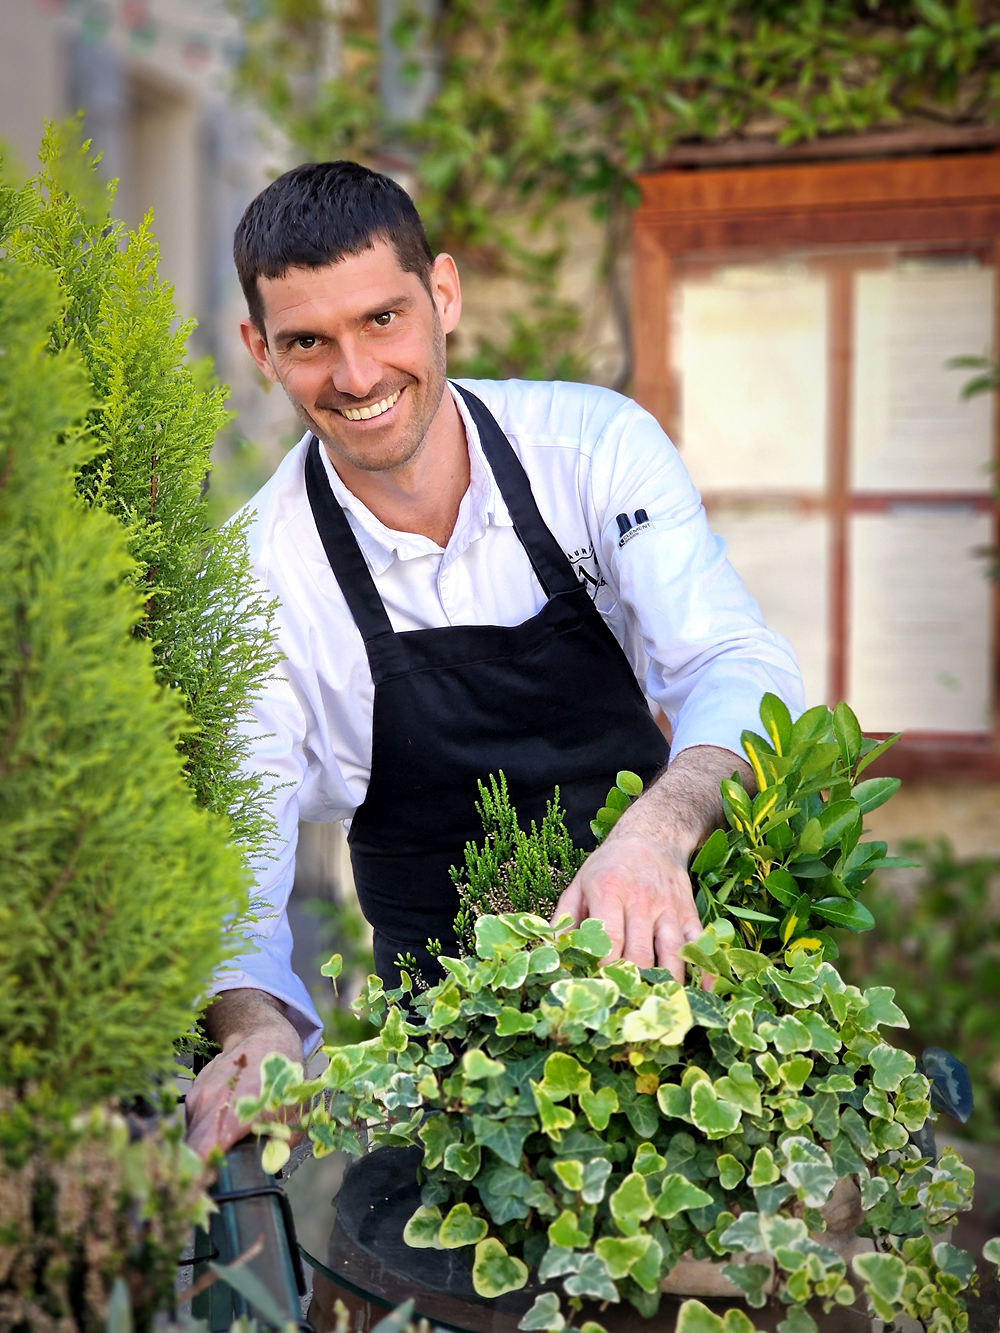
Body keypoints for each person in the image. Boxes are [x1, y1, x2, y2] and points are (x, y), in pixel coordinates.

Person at [184, 160, 803, 1158]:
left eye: (382, 319)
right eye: (307, 341)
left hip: (680, 987)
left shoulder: (592, 448)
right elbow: (232, 876)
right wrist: (256, 1027)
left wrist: (656, 828)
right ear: (259, 348)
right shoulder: (254, 579)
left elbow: (731, 660)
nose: (354, 375)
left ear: (443, 293)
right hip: (447, 1072)